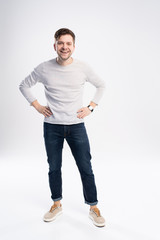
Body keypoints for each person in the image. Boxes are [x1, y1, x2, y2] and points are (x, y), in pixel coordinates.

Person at [19, 28, 106, 227]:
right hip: (52, 127)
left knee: (86, 167)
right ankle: (56, 204)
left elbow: (101, 85)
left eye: (68, 43)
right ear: (55, 46)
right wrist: (38, 106)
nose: (64, 47)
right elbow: (23, 85)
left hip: (77, 127)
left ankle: (93, 207)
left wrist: (91, 107)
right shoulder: (44, 68)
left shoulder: (83, 68)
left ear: (73, 46)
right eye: (61, 43)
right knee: (54, 167)